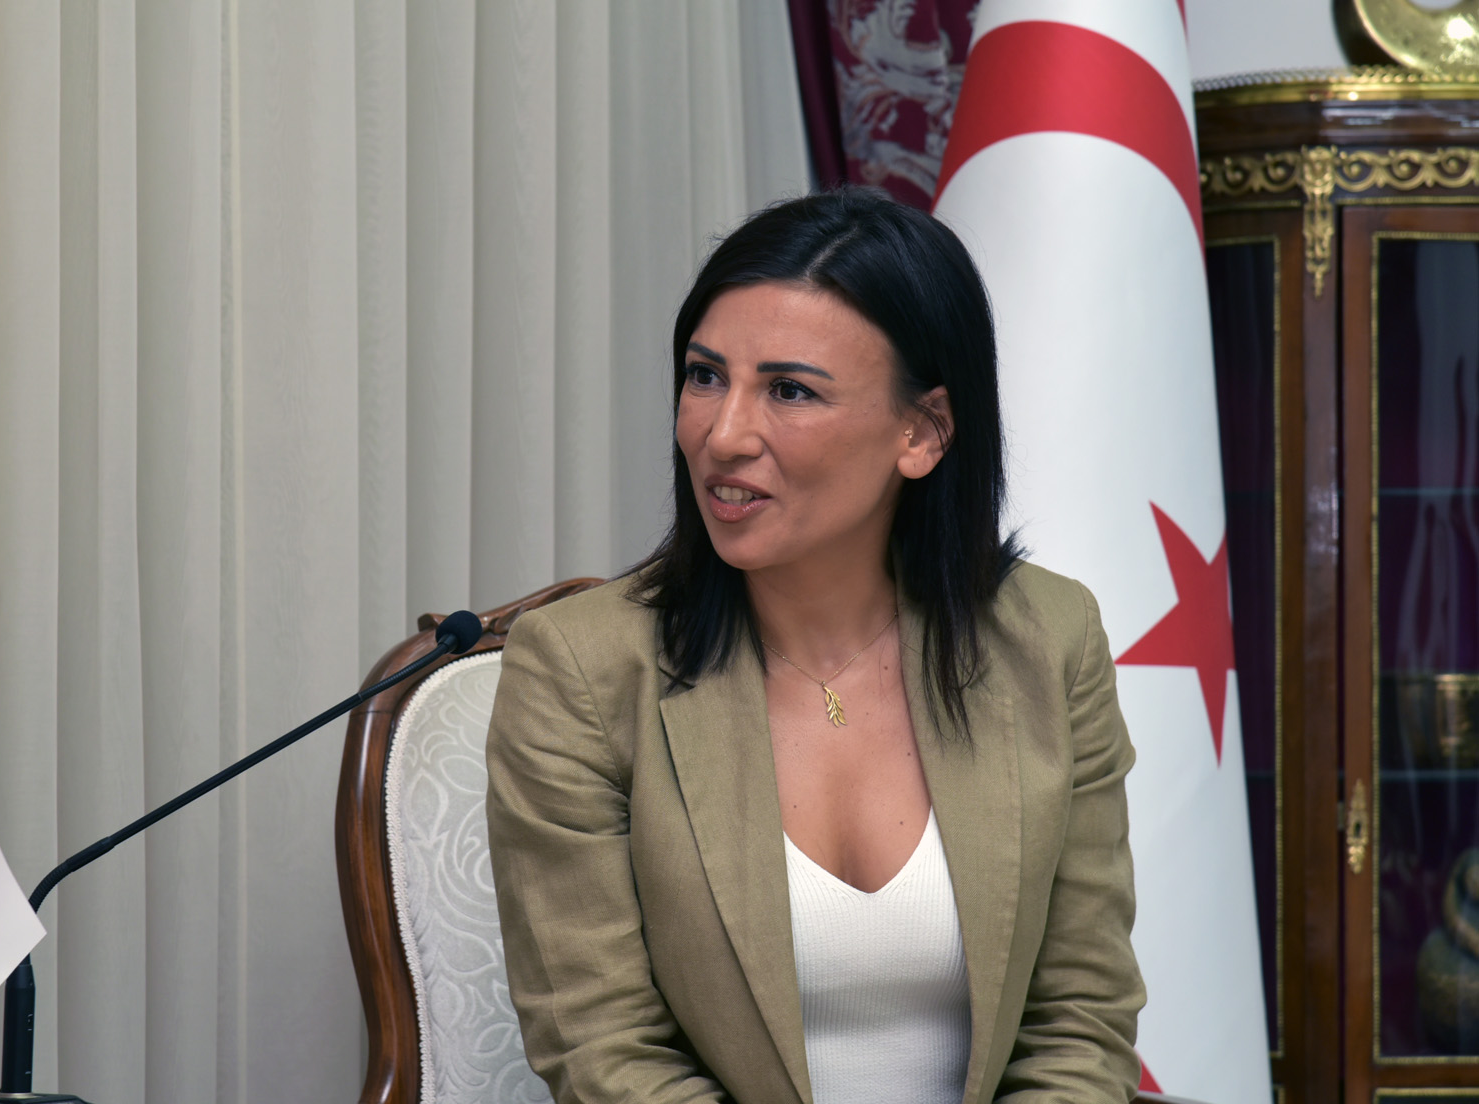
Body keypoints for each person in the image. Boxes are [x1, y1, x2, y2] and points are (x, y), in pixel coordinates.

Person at [485, 188, 1143, 1104]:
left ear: (923, 433)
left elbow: (1080, 1021)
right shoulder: (581, 668)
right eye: (704, 376)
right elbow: (605, 1053)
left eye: (789, 391)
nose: (722, 435)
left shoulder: (1050, 640)